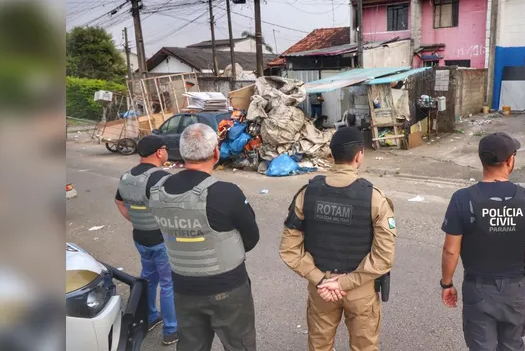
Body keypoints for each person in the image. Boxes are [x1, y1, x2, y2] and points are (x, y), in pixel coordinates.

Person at [279, 127, 397, 351]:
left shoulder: (307, 193)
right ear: (359, 156)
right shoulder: (375, 198)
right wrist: (344, 283)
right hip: (360, 290)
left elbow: (289, 250)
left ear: (331, 155)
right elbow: (384, 257)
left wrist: (323, 281)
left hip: (321, 288)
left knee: (319, 346)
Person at [148, 123, 260, 351]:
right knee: (240, 345)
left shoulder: (157, 189)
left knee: (191, 345)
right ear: (216, 153)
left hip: (183, 286)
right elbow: (252, 237)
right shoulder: (226, 192)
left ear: (182, 152)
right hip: (228, 286)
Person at [440, 132, 525, 351]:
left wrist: (447, 283)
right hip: (514, 288)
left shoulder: (462, 199)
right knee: (512, 346)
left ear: (482, 160)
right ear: (510, 161)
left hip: (478, 289)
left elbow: (450, 251)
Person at [114, 135, 178, 345]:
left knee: (149, 278)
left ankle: (150, 317)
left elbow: (119, 201)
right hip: (161, 240)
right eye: (165, 149)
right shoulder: (161, 178)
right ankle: (171, 330)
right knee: (168, 283)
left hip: (140, 237)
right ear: (160, 152)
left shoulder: (126, 176)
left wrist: (137, 219)